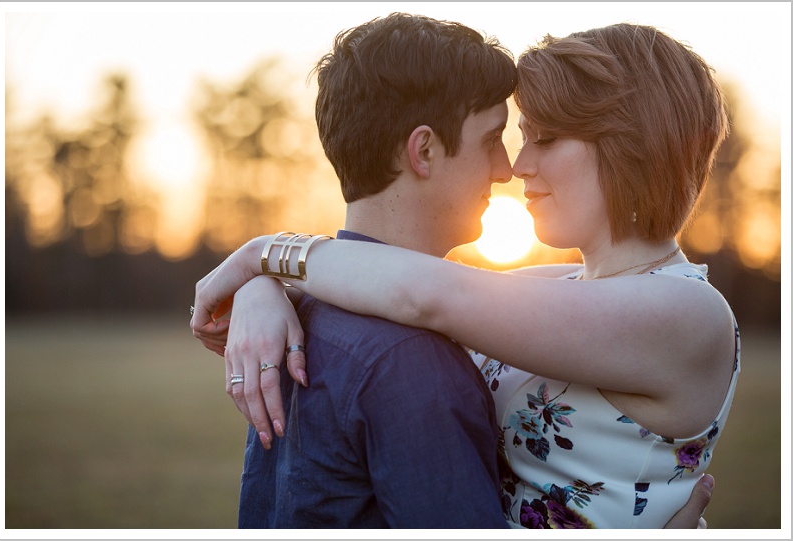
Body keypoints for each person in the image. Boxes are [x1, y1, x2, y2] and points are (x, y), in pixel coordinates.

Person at [191, 19, 734, 529]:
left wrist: (261, 253)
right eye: (517, 136)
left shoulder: (690, 314)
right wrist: (266, 289)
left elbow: (425, 293)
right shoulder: (560, 288)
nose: (518, 166)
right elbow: (401, 283)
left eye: (544, 138)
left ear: (631, 146)